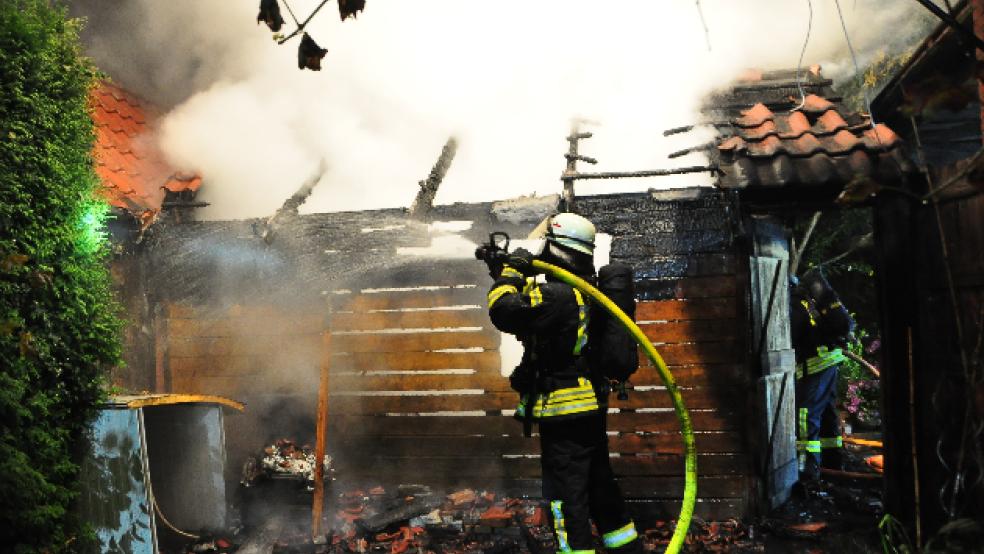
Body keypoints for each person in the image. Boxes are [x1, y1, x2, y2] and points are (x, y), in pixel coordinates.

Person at [482, 212, 643, 554]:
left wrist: (511, 272)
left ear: (560, 250)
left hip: (563, 412)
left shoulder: (556, 296)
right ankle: (627, 548)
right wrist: (507, 271)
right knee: (599, 484)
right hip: (590, 405)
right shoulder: (584, 292)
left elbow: (505, 311)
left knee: (565, 497)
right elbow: (538, 318)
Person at [789, 269, 856, 480]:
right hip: (830, 362)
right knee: (828, 415)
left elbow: (792, 336)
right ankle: (833, 464)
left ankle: (807, 470)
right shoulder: (812, 305)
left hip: (815, 367)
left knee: (805, 416)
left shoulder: (796, 307)